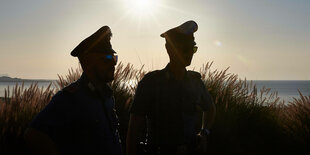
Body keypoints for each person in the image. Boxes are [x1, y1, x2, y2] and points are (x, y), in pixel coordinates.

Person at [24, 26, 122, 155]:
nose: (113, 64)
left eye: (114, 58)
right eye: (107, 58)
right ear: (88, 62)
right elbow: (33, 134)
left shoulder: (107, 95)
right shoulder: (70, 98)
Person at [126, 21, 216, 155]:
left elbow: (210, 109)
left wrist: (204, 133)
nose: (190, 53)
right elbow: (133, 130)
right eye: (185, 49)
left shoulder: (196, 82)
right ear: (170, 49)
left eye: (193, 48)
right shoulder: (151, 83)